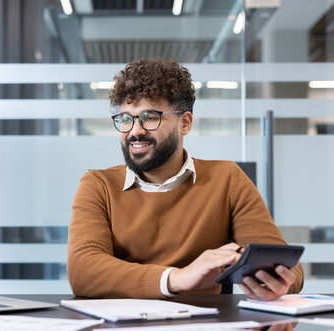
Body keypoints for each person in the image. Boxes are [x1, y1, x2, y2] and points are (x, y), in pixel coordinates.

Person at [67, 58, 303, 300]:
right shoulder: (98, 185)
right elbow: (83, 270)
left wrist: (276, 280)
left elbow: (287, 266)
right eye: (126, 119)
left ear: (185, 123)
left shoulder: (227, 179)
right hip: (118, 330)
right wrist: (178, 278)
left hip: (205, 328)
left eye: (149, 117)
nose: (135, 131)